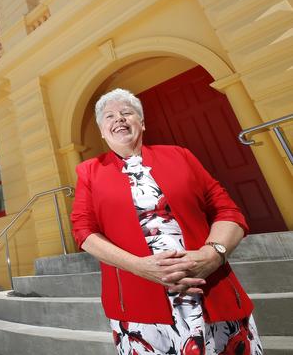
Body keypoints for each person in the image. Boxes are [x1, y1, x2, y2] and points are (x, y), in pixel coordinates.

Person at [70, 88, 262, 354]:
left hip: (212, 293)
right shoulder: (89, 172)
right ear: (102, 131)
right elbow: (83, 230)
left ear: (142, 123)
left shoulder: (180, 155)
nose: (119, 119)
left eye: (127, 113)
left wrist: (213, 254)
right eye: (109, 117)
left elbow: (227, 210)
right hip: (140, 309)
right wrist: (138, 266)